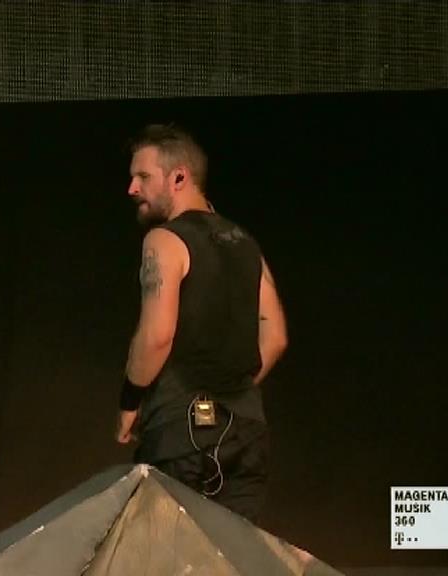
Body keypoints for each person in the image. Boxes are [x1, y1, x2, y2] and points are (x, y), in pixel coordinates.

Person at [115, 124, 287, 523]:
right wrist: (228, 392)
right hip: (247, 435)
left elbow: (156, 335)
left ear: (179, 178)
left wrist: (129, 402)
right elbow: (275, 336)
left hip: (181, 436)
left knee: (166, 552)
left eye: (143, 176)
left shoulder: (164, 240)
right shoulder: (246, 243)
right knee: (231, 554)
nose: (132, 188)